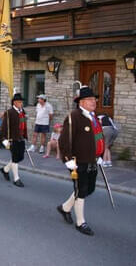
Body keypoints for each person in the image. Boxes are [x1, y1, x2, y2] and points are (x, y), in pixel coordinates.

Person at [57, 86, 105, 236]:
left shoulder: (94, 116)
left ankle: (65, 208)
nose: (94, 102)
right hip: (78, 162)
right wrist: (67, 159)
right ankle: (81, 222)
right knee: (82, 190)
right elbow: (64, 140)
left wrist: (100, 155)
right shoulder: (74, 117)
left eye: (94, 99)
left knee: (88, 189)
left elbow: (98, 137)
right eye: (90, 100)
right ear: (81, 102)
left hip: (92, 160)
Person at [1, 93, 27, 187]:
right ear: (15, 102)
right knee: (15, 158)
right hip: (13, 138)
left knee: (20, 157)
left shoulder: (22, 111)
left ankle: (5, 169)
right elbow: (4, 127)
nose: (21, 103)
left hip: (21, 137)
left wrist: (25, 135)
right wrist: (4, 138)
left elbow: (24, 124)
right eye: (19, 102)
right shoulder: (9, 112)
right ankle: (16, 179)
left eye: (21, 102)